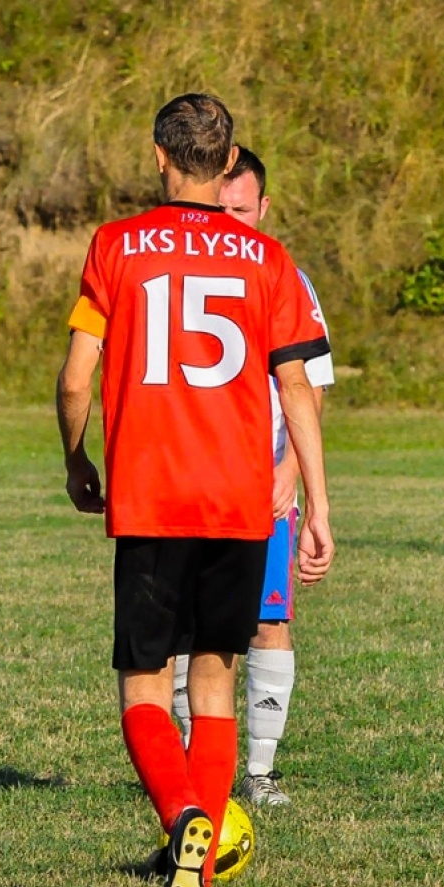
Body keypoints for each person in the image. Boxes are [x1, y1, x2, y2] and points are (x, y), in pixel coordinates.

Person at [54, 93, 334, 887]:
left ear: (159, 157)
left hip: (149, 494)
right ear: (228, 161)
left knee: (145, 684)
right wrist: (317, 500)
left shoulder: (116, 246)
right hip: (241, 504)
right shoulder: (267, 258)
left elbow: (76, 378)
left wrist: (76, 457)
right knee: (214, 681)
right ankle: (198, 883)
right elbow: (297, 388)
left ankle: (182, 821)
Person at [172, 146, 334, 808]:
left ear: (263, 209)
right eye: (221, 208)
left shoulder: (284, 278)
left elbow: (310, 386)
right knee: (186, 627)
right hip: (190, 479)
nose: (232, 221)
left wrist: (291, 469)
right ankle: (189, 770)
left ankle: (259, 772)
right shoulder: (181, 272)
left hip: (261, 480)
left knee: (267, 621)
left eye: (243, 210)